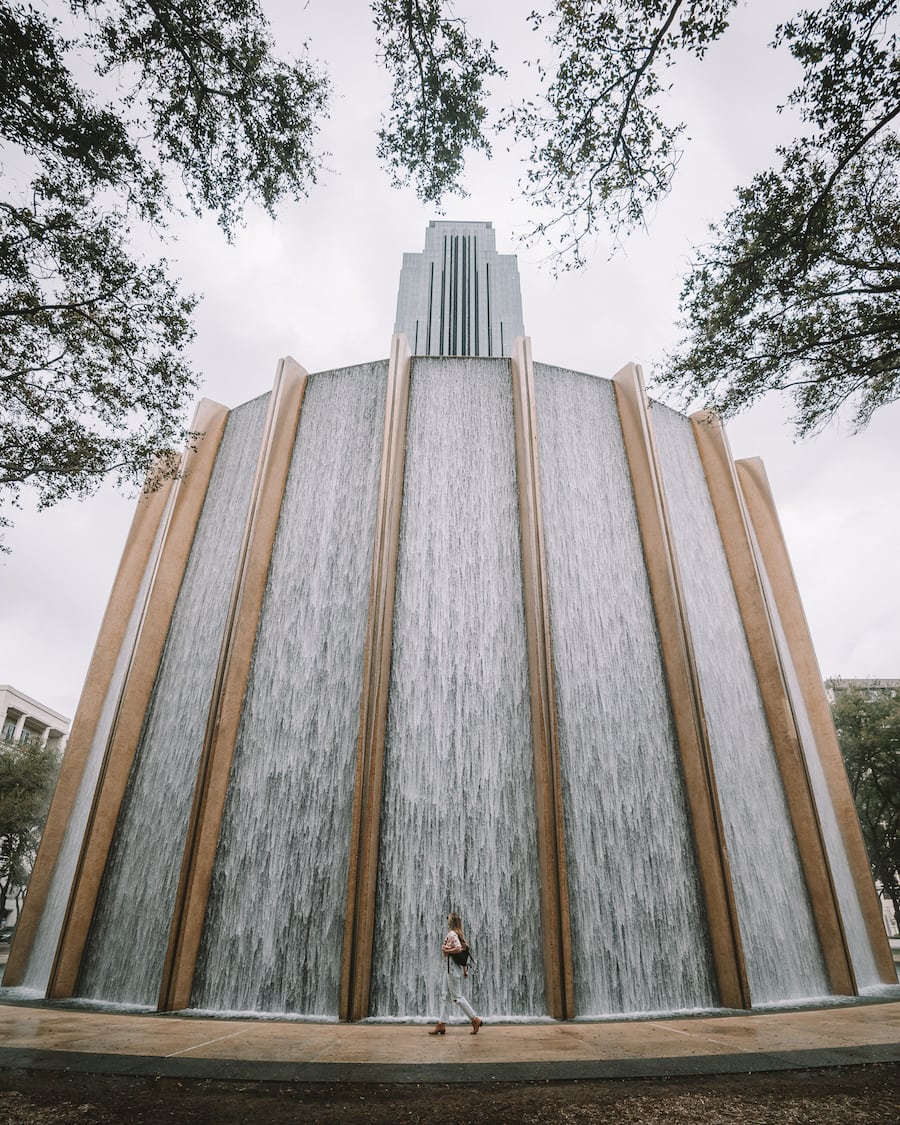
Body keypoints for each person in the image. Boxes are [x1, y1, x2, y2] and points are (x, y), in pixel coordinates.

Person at [428, 911, 483, 1035]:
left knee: (457, 997)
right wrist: (464, 969)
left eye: (448, 918)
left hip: (451, 969)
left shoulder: (452, 934)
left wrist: (446, 950)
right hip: (451, 968)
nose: (447, 920)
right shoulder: (458, 934)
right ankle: (441, 1024)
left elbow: (458, 949)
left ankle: (475, 1019)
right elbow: (463, 954)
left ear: (451, 921)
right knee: (445, 996)